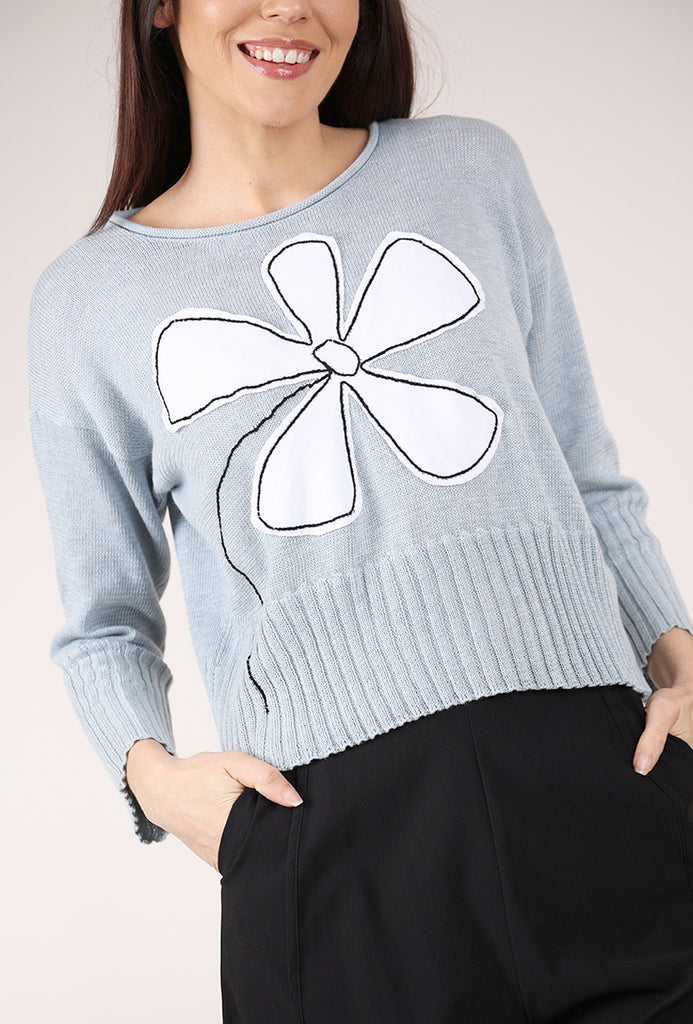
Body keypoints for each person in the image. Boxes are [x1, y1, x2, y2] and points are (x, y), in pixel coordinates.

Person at [27, 0, 693, 1021]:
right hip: (331, 848)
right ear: (159, 6)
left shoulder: (471, 171)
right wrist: (155, 777)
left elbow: (583, 473)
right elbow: (104, 623)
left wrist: (677, 649)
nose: (289, 6)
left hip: (602, 780)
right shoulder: (90, 300)